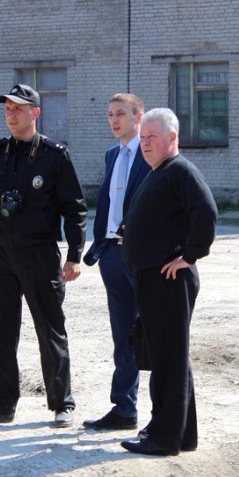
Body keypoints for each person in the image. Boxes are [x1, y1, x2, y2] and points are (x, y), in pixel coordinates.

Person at [0, 83, 87, 428]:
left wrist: (74, 254)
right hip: (0, 255)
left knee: (50, 329)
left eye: (18, 108)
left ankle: (62, 403)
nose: (11, 114)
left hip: (39, 254)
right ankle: (1, 403)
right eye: (7, 109)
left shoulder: (54, 156)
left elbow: (74, 209)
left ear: (35, 112)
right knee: (0, 331)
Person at [119, 107, 217, 456]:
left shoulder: (180, 171)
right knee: (168, 356)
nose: (145, 144)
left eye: (152, 138)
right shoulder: (159, 171)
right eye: (142, 138)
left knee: (168, 359)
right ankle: (181, 433)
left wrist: (190, 255)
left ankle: (163, 438)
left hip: (169, 280)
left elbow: (206, 212)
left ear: (172, 138)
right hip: (153, 278)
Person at [81, 93, 151, 431]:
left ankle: (166, 416)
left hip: (143, 257)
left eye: (120, 113)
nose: (114, 120)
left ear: (138, 117)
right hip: (112, 254)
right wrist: (101, 245)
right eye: (110, 114)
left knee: (153, 333)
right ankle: (124, 409)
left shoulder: (150, 153)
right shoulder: (112, 154)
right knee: (123, 334)